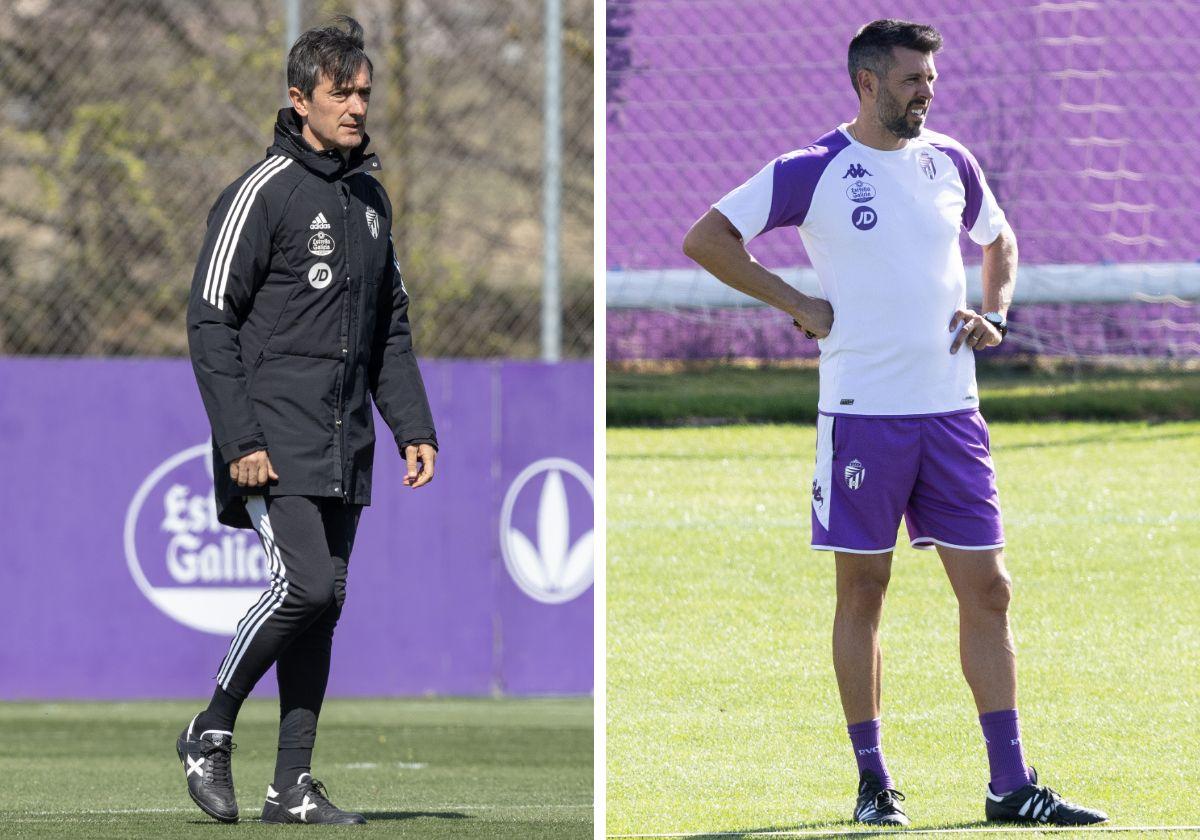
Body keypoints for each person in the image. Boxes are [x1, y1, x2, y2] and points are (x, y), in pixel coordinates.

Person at [682, 18, 1107, 828]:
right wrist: (798, 303)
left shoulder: (950, 161)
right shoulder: (811, 168)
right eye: (913, 78)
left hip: (953, 415)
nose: (928, 91)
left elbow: (1000, 239)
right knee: (863, 593)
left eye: (932, 79)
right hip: (862, 419)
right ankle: (874, 782)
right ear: (868, 82)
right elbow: (708, 238)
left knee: (990, 590)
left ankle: (1009, 786)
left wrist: (996, 313)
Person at [179, 16, 437, 825]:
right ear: (300, 100)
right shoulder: (263, 192)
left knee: (325, 609)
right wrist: (242, 440)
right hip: (275, 441)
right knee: (306, 585)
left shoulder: (370, 200)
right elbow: (209, 320)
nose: (357, 106)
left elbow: (388, 325)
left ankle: (291, 785)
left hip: (344, 443)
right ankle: (208, 729)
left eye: (364, 92)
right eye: (341, 93)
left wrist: (412, 424)